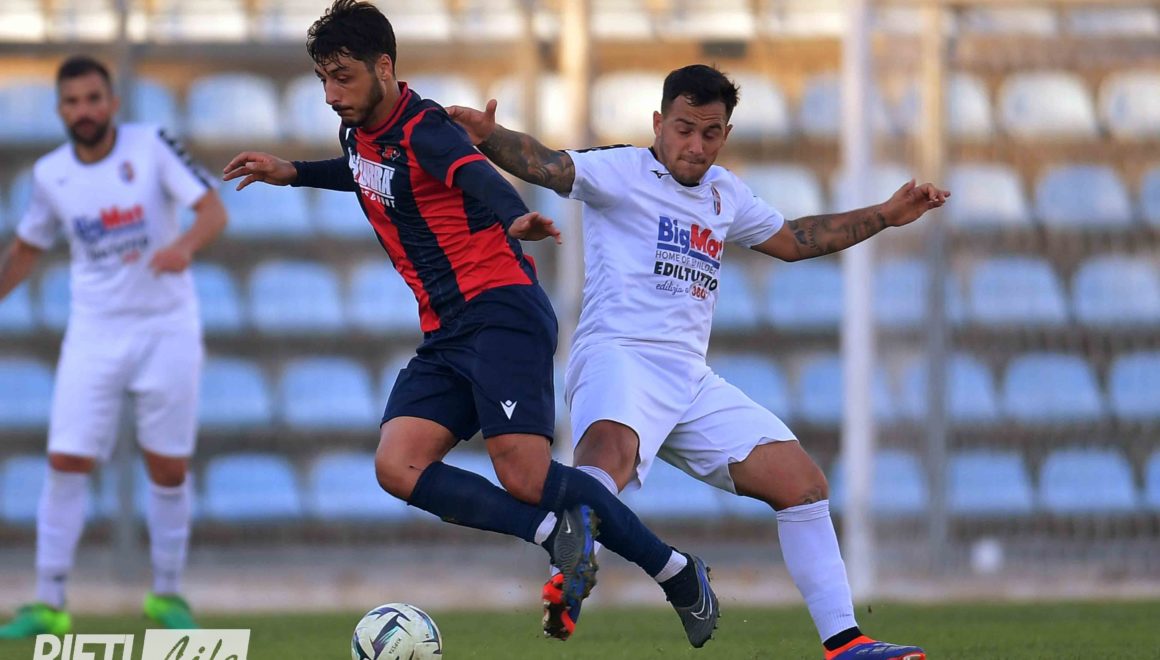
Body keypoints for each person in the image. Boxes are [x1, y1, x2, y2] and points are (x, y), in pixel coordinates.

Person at [222, 1, 717, 647]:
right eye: (323, 79)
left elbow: (478, 175)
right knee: (398, 463)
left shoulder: (426, 127)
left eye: (342, 77)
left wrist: (515, 217)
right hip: (448, 331)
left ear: (384, 67)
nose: (331, 94)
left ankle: (677, 572)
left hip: (501, 310)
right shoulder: (359, 134)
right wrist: (293, 173)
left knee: (526, 476)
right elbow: (368, 172)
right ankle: (554, 534)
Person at [447, 63, 948, 659]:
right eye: (684, 129)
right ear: (658, 123)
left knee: (803, 485)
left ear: (725, 134)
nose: (696, 145)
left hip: (689, 378)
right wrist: (490, 137)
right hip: (619, 355)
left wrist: (886, 214)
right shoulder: (622, 170)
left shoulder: (725, 194)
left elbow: (794, 240)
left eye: (711, 133)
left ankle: (845, 642)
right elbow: (550, 165)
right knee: (607, 457)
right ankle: (571, 573)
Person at [0, 56, 228, 638]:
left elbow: (211, 210)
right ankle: (48, 601)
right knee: (66, 459)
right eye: (72, 102)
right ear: (60, 111)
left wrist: (183, 248)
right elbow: (25, 250)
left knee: (168, 467)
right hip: (94, 333)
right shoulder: (50, 175)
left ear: (113, 104)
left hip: (166, 328)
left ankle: (166, 593)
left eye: (93, 99)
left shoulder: (150, 145)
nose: (84, 110)